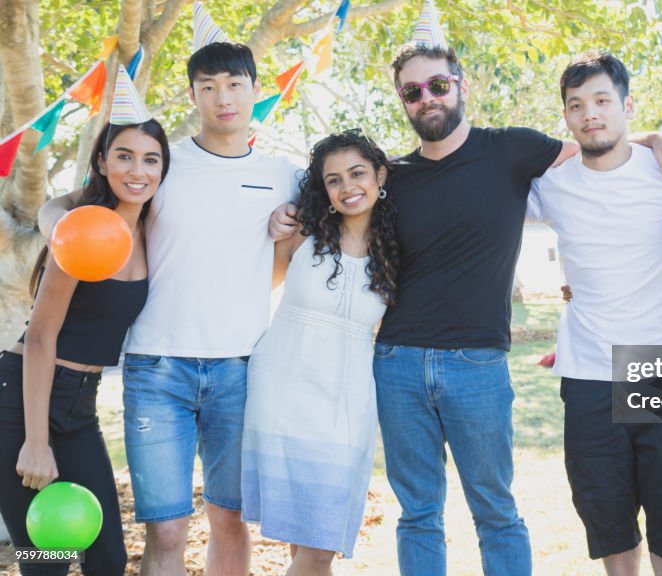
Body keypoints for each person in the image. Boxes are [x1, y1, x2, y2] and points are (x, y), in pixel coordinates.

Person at [38, 42, 301, 575]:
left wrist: (283, 242)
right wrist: (55, 232)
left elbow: (272, 274)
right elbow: (67, 205)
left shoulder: (286, 175)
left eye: (233, 85)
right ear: (193, 94)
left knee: (231, 520)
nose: (221, 98)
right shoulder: (162, 163)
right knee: (166, 527)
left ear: (256, 87)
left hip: (240, 368)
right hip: (156, 368)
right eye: (207, 87)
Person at [526, 51, 662, 576]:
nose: (590, 114)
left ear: (627, 105)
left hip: (660, 363)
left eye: (602, 100)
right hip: (586, 372)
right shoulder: (553, 185)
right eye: (576, 105)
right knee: (606, 513)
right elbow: (484, 201)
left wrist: (659, 139)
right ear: (566, 117)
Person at [0, 108, 169, 575]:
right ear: (101, 162)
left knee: (108, 559)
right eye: (124, 156)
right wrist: (35, 442)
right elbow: (40, 336)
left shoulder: (152, 228)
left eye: (151, 160)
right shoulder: (85, 229)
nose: (138, 171)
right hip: (22, 401)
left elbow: (56, 204)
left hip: (80, 408)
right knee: (46, 563)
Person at [241, 130, 398, 576]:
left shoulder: (395, 250)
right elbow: (257, 287)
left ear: (380, 175)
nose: (347, 186)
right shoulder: (301, 232)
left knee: (319, 546)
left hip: (345, 405)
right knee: (303, 546)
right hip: (281, 391)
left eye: (357, 173)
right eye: (334, 179)